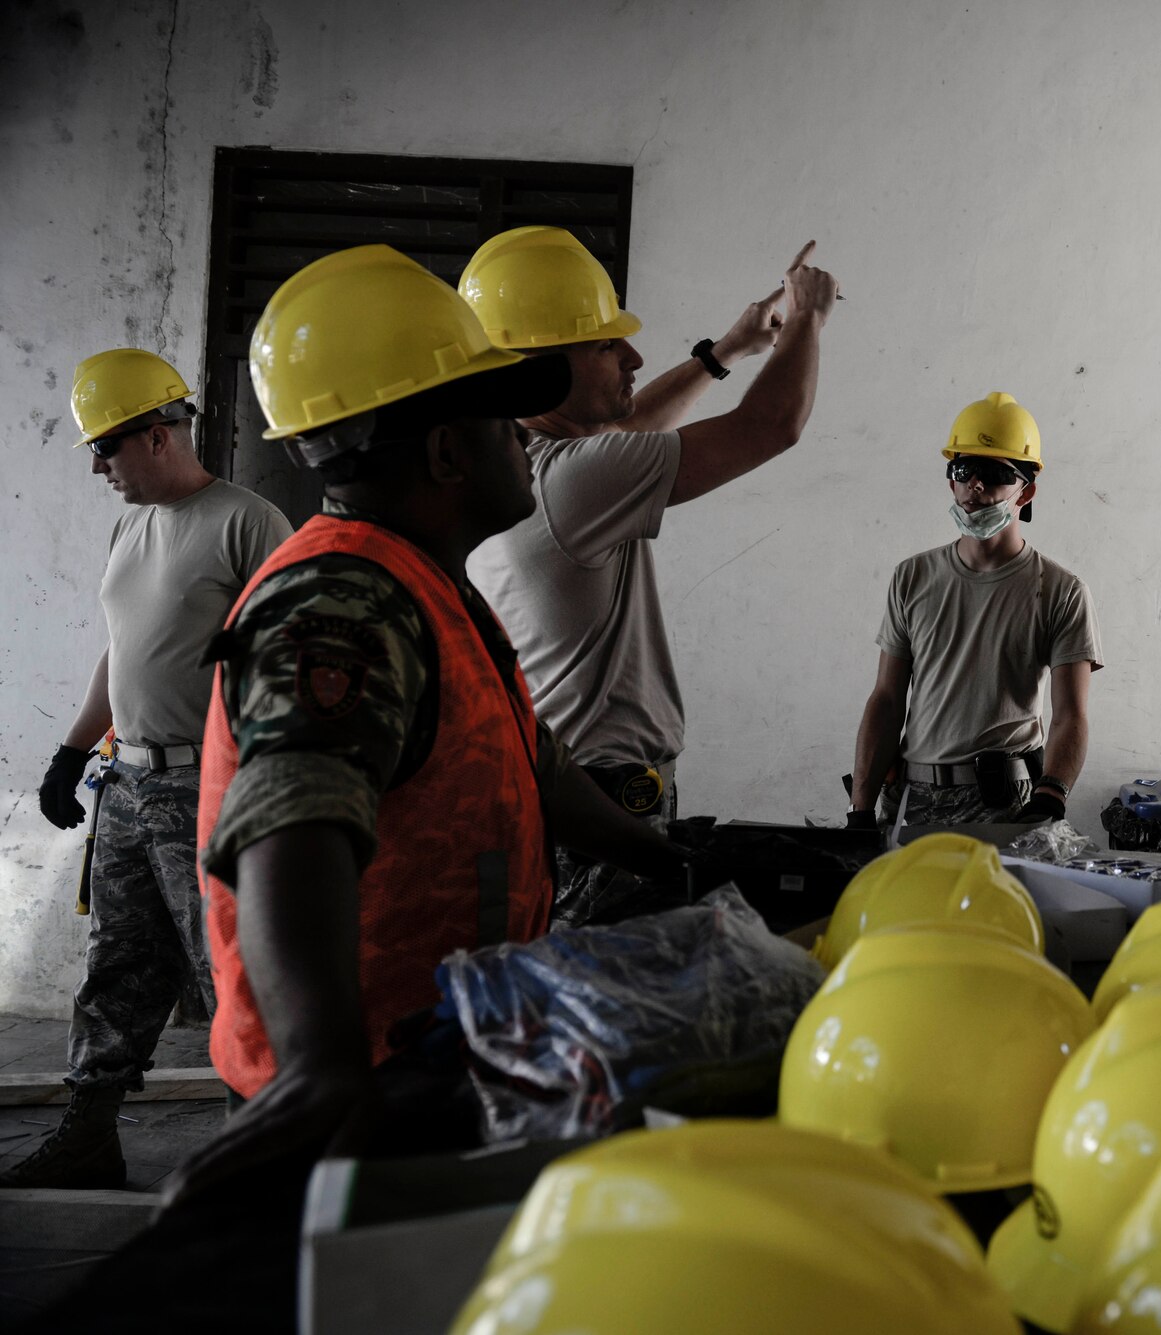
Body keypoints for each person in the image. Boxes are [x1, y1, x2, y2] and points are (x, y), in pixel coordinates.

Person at [164, 244, 708, 1210]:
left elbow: (533, 767)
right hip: (364, 1097)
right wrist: (322, 1067)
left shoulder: (431, 585)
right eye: (503, 421)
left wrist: (672, 861)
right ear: (448, 452)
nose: (523, 442)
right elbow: (292, 817)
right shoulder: (340, 596)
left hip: (444, 1060)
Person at [458, 227, 837, 926]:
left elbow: (626, 437)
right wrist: (807, 318)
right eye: (605, 345)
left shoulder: (523, 466)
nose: (632, 355)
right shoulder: (573, 482)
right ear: (539, 367)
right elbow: (772, 425)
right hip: (599, 807)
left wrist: (724, 352)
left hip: (572, 799)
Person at [5, 350, 291, 1189]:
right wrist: (71, 749)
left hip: (209, 787)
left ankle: (255, 1154)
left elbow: (283, 659)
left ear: (159, 436)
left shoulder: (247, 522)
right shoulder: (131, 523)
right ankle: (89, 1135)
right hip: (127, 784)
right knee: (117, 968)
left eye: (107, 447)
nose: (97, 466)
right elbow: (122, 649)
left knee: (232, 975)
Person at [846, 393, 1102, 829]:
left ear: (1028, 490)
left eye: (996, 473)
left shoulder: (1061, 591)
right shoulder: (913, 577)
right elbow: (887, 701)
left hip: (1004, 804)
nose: (975, 486)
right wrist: (861, 808)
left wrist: (1051, 795)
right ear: (950, 481)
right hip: (911, 798)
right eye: (963, 470)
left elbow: (1071, 715)